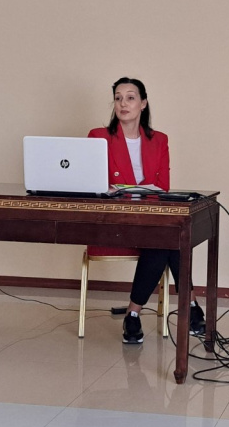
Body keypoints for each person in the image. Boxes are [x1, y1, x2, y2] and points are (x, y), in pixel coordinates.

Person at [87, 77, 205, 344]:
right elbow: (91, 181)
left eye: (130, 97)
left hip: (150, 218)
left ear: (143, 103)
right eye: (118, 98)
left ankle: (133, 315)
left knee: (166, 237)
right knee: (167, 239)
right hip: (114, 219)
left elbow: (163, 187)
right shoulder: (99, 137)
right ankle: (191, 306)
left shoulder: (159, 140)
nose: (123, 103)